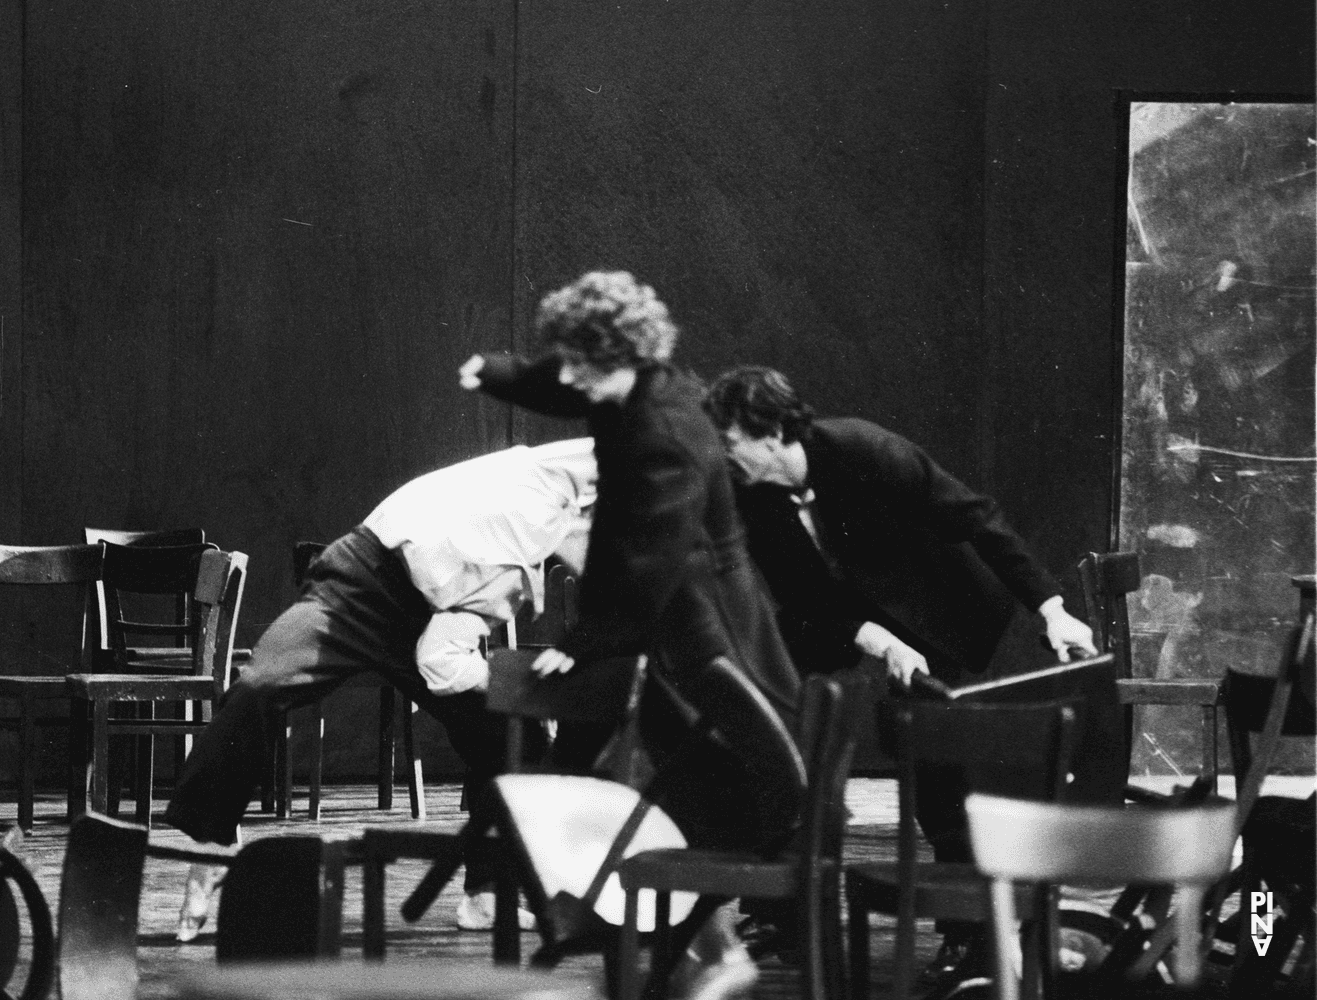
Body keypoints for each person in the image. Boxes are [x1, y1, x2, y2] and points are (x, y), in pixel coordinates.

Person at [460, 271, 804, 1000]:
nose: (572, 377)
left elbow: (654, 559)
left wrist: (589, 639)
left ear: (618, 354)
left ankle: (722, 946)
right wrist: (503, 374)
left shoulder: (664, 435)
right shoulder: (642, 385)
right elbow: (563, 383)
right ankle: (707, 946)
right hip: (679, 619)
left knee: (733, 775)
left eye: (582, 363)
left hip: (709, 629)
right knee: (688, 780)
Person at [702, 364, 1097, 974]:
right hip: (850, 617)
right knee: (781, 724)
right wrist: (881, 644)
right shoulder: (751, 497)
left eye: (731, 445)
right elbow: (807, 597)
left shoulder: (865, 449)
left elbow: (979, 517)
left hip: (937, 610)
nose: (728, 460)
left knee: (941, 757)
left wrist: (1051, 608)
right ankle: (787, 908)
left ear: (774, 431)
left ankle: (970, 930)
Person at [164, 438, 597, 939]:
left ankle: (486, 894)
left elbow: (438, 663)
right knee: (260, 685)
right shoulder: (543, 490)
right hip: (362, 582)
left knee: (505, 732)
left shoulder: (518, 559)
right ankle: (211, 853)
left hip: (429, 618)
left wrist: (508, 685)